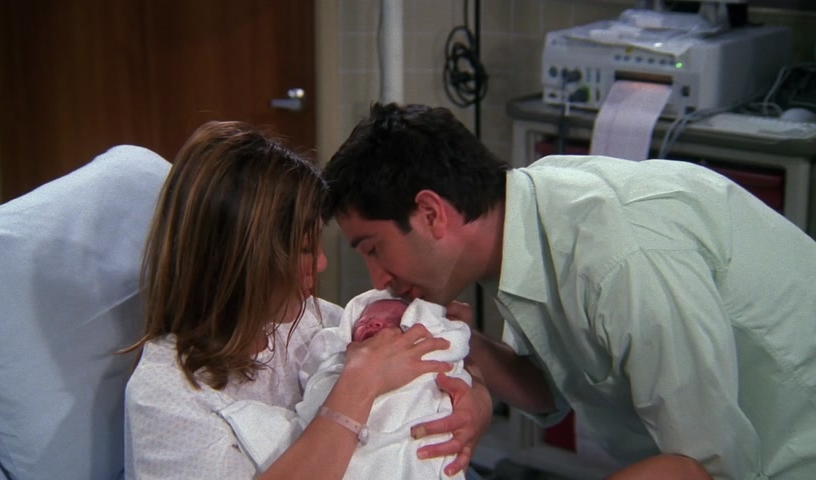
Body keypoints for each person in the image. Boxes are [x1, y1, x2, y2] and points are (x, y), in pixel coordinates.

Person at [321, 102, 816, 479]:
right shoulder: (524, 222)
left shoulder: (619, 260)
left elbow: (706, 465)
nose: (378, 279)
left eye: (374, 249)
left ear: (431, 214)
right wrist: (463, 344)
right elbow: (549, 391)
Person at [121, 120, 480, 480]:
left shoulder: (313, 323)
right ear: (243, 261)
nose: (321, 264)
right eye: (305, 249)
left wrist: (474, 402)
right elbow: (368, 376)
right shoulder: (166, 393)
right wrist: (358, 384)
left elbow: (440, 371)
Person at [222, 289, 472, 479]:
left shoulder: (319, 315)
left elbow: (451, 360)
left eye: (392, 323)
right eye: (365, 321)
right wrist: (356, 377)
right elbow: (314, 389)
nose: (374, 323)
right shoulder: (333, 350)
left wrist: (475, 400)